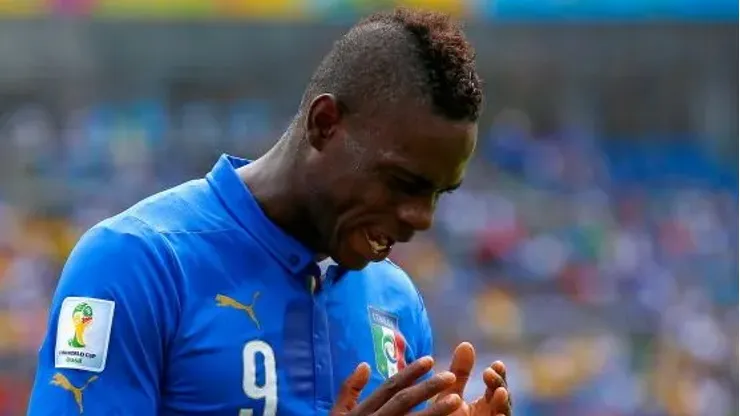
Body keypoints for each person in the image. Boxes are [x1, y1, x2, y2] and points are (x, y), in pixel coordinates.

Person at [27, 7, 512, 416]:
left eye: (438, 194)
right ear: (325, 125)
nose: (421, 218)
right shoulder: (137, 262)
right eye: (403, 183)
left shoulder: (396, 301)